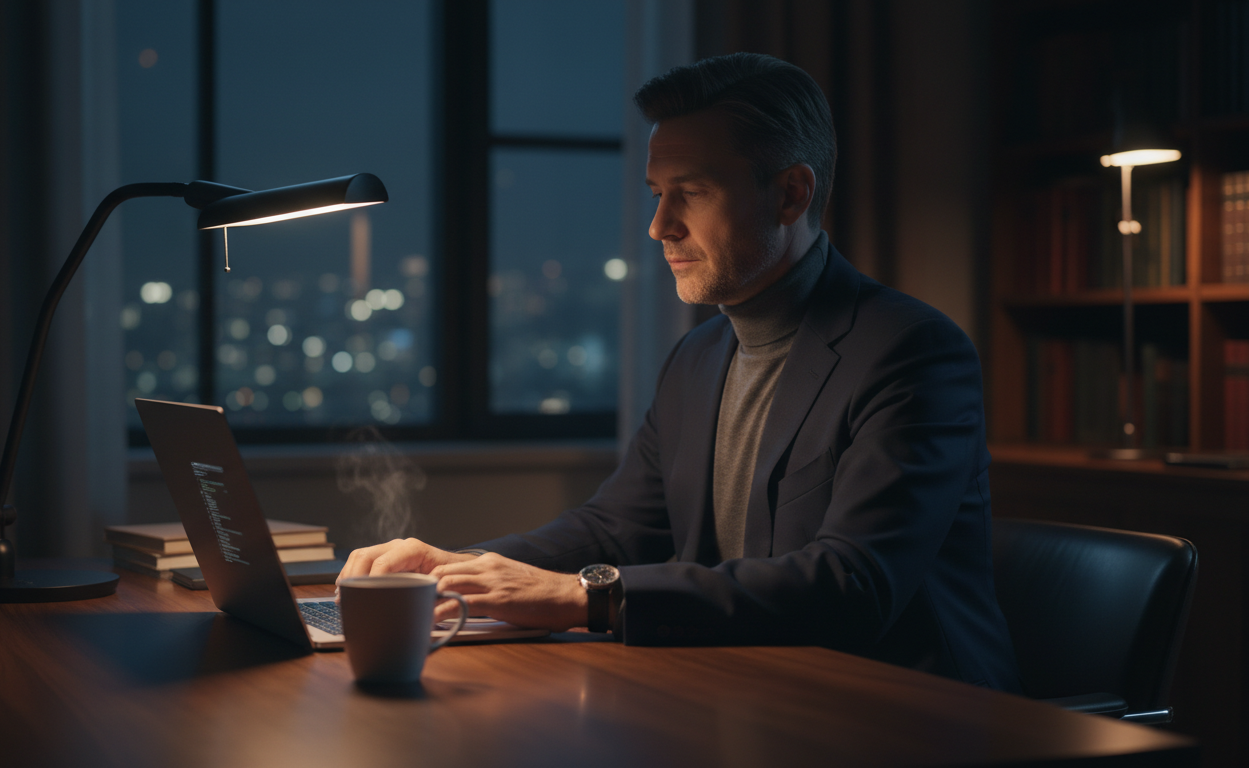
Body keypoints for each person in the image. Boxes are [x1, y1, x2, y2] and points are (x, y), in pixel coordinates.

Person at [339, 52, 1020, 690]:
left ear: (789, 195)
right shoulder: (698, 358)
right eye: (657, 193)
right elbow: (615, 529)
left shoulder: (913, 351)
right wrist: (450, 568)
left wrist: (582, 597)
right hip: (744, 691)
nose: (659, 226)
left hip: (902, 714)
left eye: (689, 192)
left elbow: (851, 584)